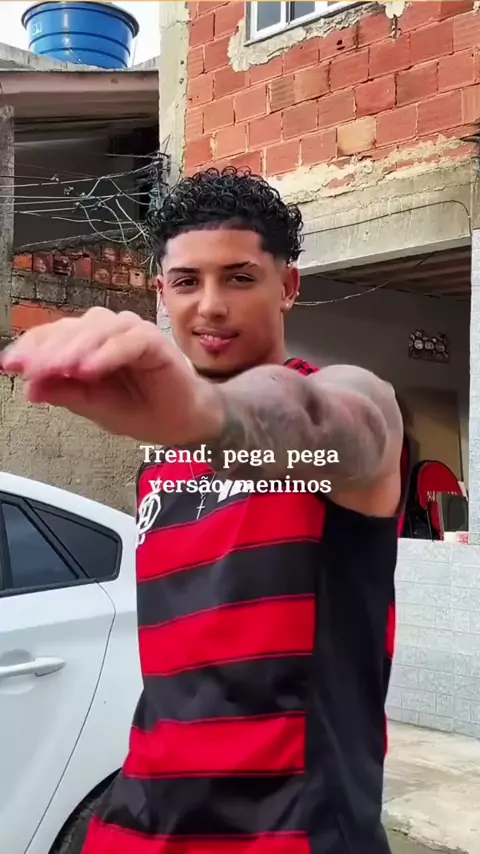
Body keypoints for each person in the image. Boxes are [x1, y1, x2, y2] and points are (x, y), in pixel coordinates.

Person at [1, 167, 405, 854]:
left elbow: (335, 422)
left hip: (293, 833)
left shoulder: (340, 420)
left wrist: (207, 411)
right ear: (161, 292)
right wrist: (189, 422)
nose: (211, 306)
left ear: (289, 287)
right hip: (136, 825)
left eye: (240, 278)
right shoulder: (162, 458)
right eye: (188, 281)